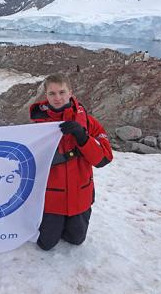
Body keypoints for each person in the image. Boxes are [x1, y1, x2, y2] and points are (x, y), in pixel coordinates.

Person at [29, 73, 113, 250]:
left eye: (62, 92)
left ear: (70, 93)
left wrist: (83, 137)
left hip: (80, 197)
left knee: (76, 239)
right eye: (52, 93)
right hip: (52, 199)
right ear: (46, 95)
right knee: (46, 244)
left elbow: (103, 159)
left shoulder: (89, 123)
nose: (57, 98)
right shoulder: (37, 127)